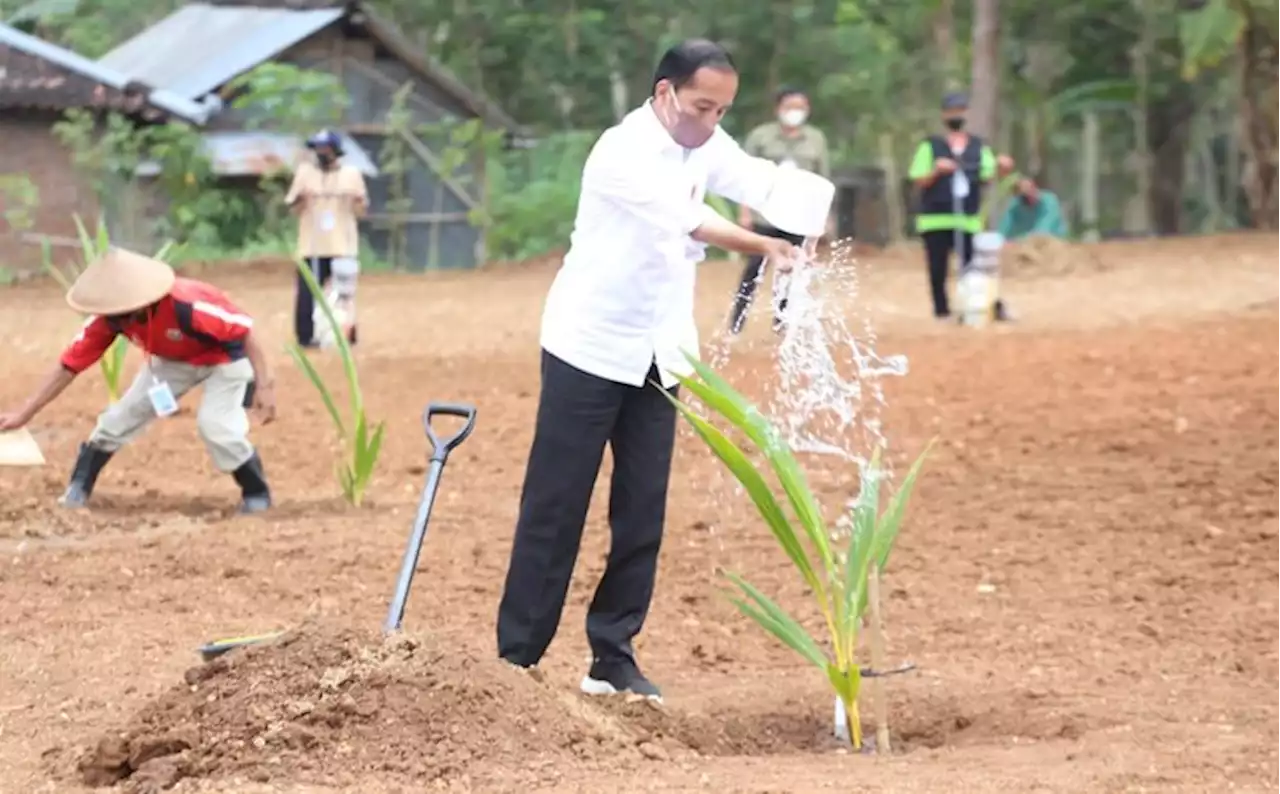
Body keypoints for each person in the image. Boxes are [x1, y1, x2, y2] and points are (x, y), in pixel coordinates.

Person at [496, 39, 809, 701]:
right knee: (556, 506)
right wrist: (765, 244)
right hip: (589, 346)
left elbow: (756, 180)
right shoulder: (622, 150)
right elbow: (689, 219)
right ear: (665, 93)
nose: (712, 122)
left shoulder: (706, 142)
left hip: (660, 352)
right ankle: (516, 663)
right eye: (703, 106)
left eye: (723, 111)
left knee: (641, 512)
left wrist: (810, 208)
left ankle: (612, 654)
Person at [0, 248, 278, 513]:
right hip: (170, 363)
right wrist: (25, 413)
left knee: (216, 426)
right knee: (118, 419)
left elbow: (246, 333)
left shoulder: (189, 305)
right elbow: (68, 365)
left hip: (225, 361)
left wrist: (265, 386)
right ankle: (79, 486)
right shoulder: (109, 320)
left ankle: (256, 492)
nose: (119, 317)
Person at [729, 86, 830, 334]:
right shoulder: (760, 137)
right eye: (790, 107)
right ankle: (737, 322)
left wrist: (822, 220)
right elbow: (746, 177)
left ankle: (783, 322)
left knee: (792, 270)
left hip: (799, 216)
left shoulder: (816, 139)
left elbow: (823, 180)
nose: (795, 113)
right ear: (778, 109)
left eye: (801, 108)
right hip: (765, 213)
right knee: (754, 269)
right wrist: (745, 212)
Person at [908, 92, 1014, 321]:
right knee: (937, 267)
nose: (956, 115)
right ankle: (942, 310)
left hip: (967, 218)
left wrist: (1000, 168)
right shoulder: (930, 146)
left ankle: (975, 305)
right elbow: (918, 178)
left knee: (972, 266)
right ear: (944, 115)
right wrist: (936, 171)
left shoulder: (978, 146)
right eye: (952, 111)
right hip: (935, 218)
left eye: (960, 110)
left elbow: (987, 176)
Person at [286, 129, 367, 348]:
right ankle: (305, 337)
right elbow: (293, 207)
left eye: (325, 149)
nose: (321, 153)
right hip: (311, 245)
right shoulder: (305, 173)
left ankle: (346, 334)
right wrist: (303, 198)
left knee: (344, 295)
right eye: (318, 149)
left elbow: (361, 211)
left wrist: (355, 200)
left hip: (342, 245)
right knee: (306, 294)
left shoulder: (351, 174)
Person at [998, 177, 1068, 241]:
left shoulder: (1049, 202)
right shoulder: (1016, 205)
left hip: (1052, 243)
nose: (1028, 199)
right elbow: (1004, 228)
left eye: (1029, 193)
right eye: (1023, 197)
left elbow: (1042, 231)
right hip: (1025, 243)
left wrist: (1017, 240)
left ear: (1035, 188)